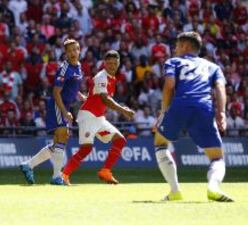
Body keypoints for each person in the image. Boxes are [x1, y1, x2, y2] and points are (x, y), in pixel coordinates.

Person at [154, 31, 233, 202]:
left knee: (160, 143)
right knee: (217, 157)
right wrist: (221, 113)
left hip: (180, 105)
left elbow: (169, 86)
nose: (175, 49)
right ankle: (213, 187)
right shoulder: (213, 67)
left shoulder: (173, 62)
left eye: (177, 45)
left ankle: (175, 191)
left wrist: (164, 112)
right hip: (203, 107)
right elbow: (220, 88)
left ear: (186, 46)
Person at [62, 50, 135, 185]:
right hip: (88, 116)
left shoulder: (112, 78)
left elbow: (97, 96)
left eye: (114, 63)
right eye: (109, 63)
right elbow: (105, 98)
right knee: (86, 148)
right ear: (104, 64)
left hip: (99, 118)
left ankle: (105, 171)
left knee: (120, 140)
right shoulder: (102, 76)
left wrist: (88, 97)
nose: (112, 66)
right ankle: (64, 175)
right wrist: (123, 110)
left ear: (118, 63)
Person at [19, 39, 85, 185]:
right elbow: (56, 92)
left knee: (59, 142)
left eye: (76, 49)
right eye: (71, 50)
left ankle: (28, 165)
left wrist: (79, 95)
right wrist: (64, 112)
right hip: (57, 104)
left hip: (65, 105)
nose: (74, 52)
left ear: (79, 50)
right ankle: (56, 177)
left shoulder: (79, 66)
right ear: (66, 53)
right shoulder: (64, 68)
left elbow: (72, 85)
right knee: (63, 135)